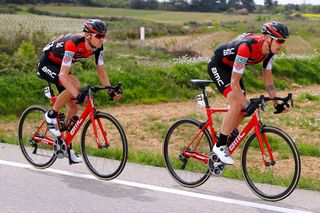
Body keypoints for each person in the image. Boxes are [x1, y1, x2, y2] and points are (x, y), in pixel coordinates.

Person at [37, 19, 121, 163]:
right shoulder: (73, 44)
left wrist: (110, 90)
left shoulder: (98, 48)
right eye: (99, 36)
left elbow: (100, 70)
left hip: (60, 67)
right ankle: (51, 115)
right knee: (74, 84)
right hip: (48, 64)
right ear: (88, 35)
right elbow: (63, 75)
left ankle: (65, 145)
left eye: (104, 36)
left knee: (74, 107)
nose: (102, 39)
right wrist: (77, 94)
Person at [207, 21, 290, 165]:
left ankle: (228, 133)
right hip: (218, 65)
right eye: (279, 41)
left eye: (283, 41)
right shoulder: (247, 47)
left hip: (233, 68)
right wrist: (245, 104)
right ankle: (219, 145)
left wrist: (276, 104)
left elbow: (267, 79)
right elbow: (234, 82)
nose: (281, 45)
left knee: (243, 107)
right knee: (237, 102)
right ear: (268, 38)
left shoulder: (269, 52)